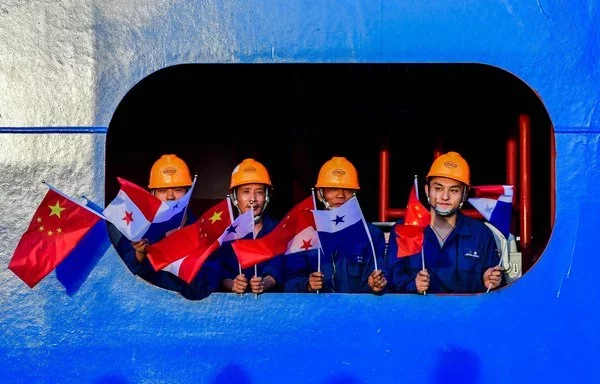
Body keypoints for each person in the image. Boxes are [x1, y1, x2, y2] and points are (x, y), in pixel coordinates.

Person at [387, 151, 505, 294]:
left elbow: (499, 288)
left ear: (464, 194)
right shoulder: (405, 229)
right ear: (427, 190)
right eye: (438, 188)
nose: (444, 196)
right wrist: (413, 285)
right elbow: (389, 281)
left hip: (466, 315)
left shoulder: (481, 234)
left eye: (454, 190)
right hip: (417, 315)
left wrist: (487, 282)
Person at [110, 154, 221, 300]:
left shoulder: (205, 234)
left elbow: (204, 290)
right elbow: (120, 281)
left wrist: (179, 250)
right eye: (162, 191)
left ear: (188, 192)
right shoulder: (136, 230)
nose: (170, 197)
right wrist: (140, 256)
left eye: (177, 190)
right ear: (152, 194)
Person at [284, 156, 388, 294]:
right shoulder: (305, 233)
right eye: (333, 189)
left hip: (356, 313)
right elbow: (288, 283)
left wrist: (375, 284)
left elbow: (382, 276)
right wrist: (307, 285)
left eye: (347, 189)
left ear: (354, 194)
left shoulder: (371, 234)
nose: (340, 195)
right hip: (316, 313)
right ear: (320, 194)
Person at [219, 158, 283, 294]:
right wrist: (232, 284)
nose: (253, 198)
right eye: (246, 191)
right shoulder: (222, 233)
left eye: (259, 192)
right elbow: (217, 270)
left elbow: (279, 266)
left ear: (266, 196)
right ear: (235, 196)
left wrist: (264, 283)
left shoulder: (278, 230)